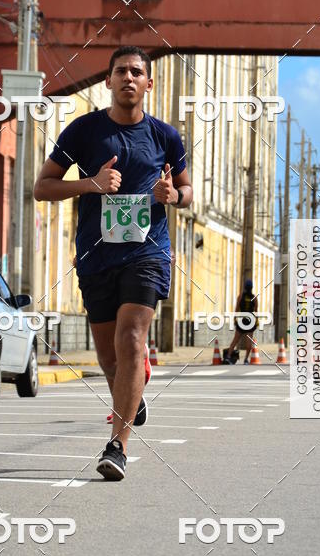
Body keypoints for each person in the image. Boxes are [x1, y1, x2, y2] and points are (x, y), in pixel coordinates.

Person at [34, 46, 192, 480]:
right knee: (109, 355)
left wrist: (172, 196)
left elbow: (187, 190)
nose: (128, 77)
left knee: (131, 338)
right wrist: (91, 184)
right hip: (95, 255)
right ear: (108, 81)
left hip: (148, 252)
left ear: (148, 83)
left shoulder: (166, 137)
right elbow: (41, 187)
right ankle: (131, 396)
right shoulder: (83, 131)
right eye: (120, 70)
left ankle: (117, 446)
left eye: (136, 72)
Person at [225, 279, 258, 364]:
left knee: (235, 340)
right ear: (251, 288)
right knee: (249, 341)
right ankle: (246, 359)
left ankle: (228, 357)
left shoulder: (240, 296)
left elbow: (237, 309)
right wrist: (256, 321)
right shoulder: (254, 298)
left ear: (244, 287)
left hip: (241, 320)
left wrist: (235, 319)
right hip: (250, 321)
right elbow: (256, 311)